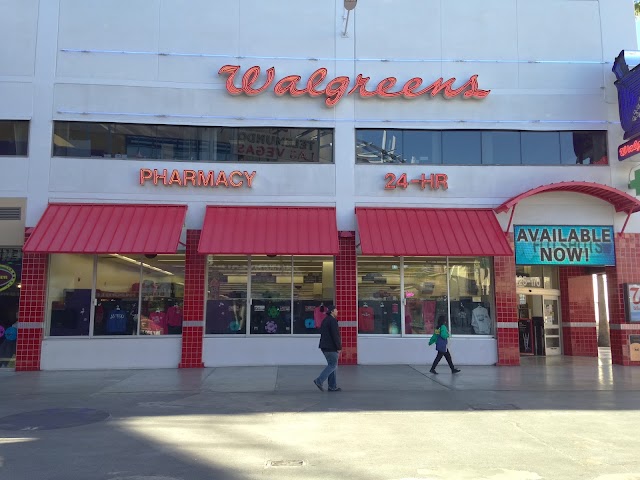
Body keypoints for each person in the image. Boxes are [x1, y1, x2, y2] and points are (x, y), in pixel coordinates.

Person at [313, 305, 342, 392]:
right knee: (333, 365)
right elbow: (335, 335)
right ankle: (319, 380)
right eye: (336, 310)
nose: (337, 312)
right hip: (331, 347)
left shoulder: (325, 320)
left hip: (324, 346)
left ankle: (332, 386)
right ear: (332, 311)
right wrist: (339, 347)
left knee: (331, 366)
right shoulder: (332, 321)